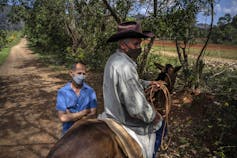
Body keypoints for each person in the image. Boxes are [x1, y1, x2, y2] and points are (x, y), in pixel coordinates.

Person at [98, 21, 163, 158]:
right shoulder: (125, 67)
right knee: (161, 124)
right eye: (136, 44)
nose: (139, 48)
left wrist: (147, 83)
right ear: (123, 45)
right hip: (125, 120)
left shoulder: (113, 59)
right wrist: (154, 115)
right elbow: (138, 110)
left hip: (110, 112)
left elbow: (129, 83)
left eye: (140, 43)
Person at [56, 62, 97, 135]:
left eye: (84, 74)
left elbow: (93, 114)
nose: (81, 76)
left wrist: (71, 116)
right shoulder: (62, 92)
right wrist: (84, 112)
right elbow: (62, 118)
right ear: (71, 73)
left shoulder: (90, 91)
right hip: (68, 133)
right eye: (79, 73)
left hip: (86, 132)